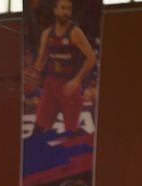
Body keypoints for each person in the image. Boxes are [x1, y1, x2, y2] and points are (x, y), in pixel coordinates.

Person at [33, 0, 97, 134]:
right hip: (50, 86)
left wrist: (77, 80)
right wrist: (33, 73)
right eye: (63, 8)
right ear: (55, 10)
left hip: (69, 87)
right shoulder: (47, 33)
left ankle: (85, 137)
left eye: (69, 9)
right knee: (38, 130)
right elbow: (41, 60)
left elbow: (91, 57)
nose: (66, 12)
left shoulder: (75, 32)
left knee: (70, 134)